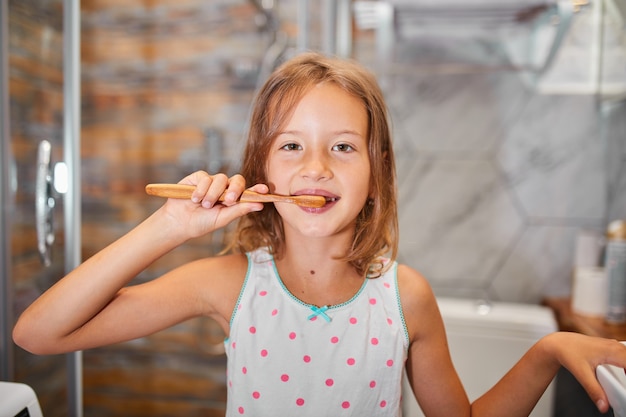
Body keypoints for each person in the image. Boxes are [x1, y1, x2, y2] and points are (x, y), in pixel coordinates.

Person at [13, 52, 626, 416]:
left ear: (376, 176)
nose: (316, 167)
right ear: (262, 173)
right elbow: (38, 334)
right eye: (291, 146)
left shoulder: (404, 297)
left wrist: (548, 351)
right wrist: (169, 226)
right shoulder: (226, 285)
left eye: (342, 147)